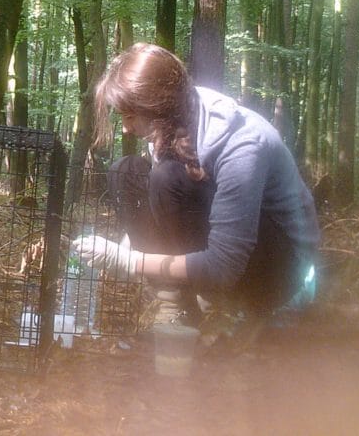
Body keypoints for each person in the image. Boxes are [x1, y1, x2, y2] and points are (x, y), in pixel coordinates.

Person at [74, 43, 320, 323]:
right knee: (126, 172)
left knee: (167, 176)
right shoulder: (172, 122)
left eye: (130, 115)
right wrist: (134, 234)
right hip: (233, 251)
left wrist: (130, 261)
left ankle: (235, 307)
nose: (126, 128)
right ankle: (178, 303)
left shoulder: (243, 146)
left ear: (156, 108)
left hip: (280, 272)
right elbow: (166, 199)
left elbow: (224, 266)